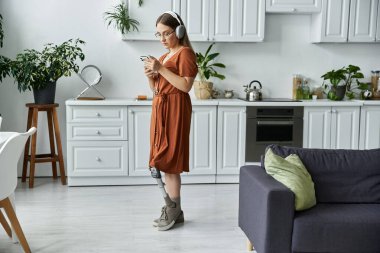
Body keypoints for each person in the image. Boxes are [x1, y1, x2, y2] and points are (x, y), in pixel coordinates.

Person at [143, 11, 197, 231]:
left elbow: (185, 86)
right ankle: (176, 210)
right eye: (159, 35)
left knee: (170, 160)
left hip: (176, 108)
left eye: (166, 34)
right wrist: (150, 74)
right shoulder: (164, 57)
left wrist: (160, 69)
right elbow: (155, 88)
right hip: (161, 107)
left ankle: (173, 209)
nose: (162, 39)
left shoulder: (185, 53)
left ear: (179, 31)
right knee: (162, 161)